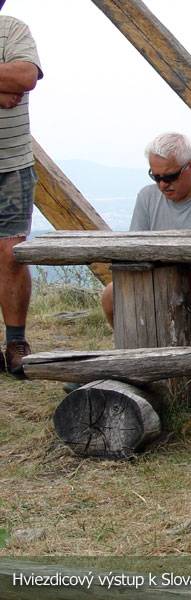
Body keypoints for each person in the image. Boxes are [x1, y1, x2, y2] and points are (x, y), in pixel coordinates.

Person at [101, 133, 191, 330]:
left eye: (170, 177)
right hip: (160, 279)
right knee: (111, 294)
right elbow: (135, 252)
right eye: (155, 177)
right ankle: (130, 347)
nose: (162, 184)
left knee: (165, 301)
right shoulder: (147, 197)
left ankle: (157, 349)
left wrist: (165, 283)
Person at [0, 10, 42, 376]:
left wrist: (12, 83)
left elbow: (26, 76)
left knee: (12, 255)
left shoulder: (12, 28)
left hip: (11, 164)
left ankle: (16, 341)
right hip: (13, 161)